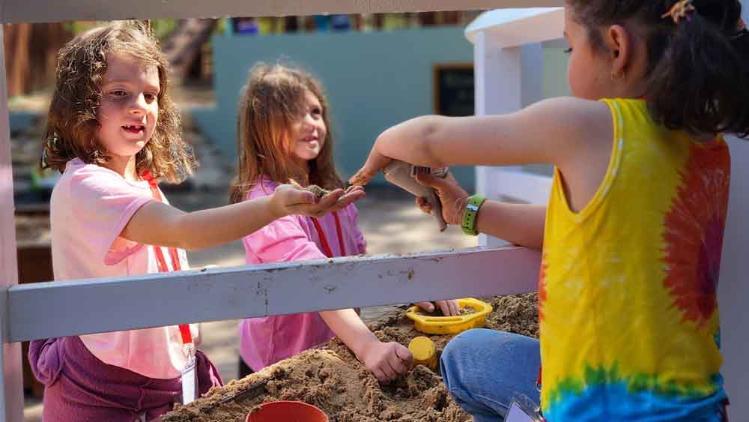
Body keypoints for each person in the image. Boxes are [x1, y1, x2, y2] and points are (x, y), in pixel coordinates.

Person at [351, 0, 749, 419]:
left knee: (461, 358)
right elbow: (576, 228)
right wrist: (465, 209)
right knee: (468, 354)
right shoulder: (707, 146)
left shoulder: (585, 126)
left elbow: (429, 137)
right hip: (700, 407)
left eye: (569, 48)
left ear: (617, 48)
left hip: (603, 411)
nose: (570, 61)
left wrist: (381, 146)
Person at [30, 22, 362, 421]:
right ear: (80, 103)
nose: (140, 105)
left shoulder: (137, 181)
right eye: (119, 93)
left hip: (160, 385)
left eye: (150, 95)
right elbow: (184, 231)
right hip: (104, 391)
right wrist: (274, 207)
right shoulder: (88, 185)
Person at [232, 63, 459, 383]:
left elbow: (357, 263)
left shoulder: (335, 194)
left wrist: (409, 287)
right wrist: (367, 347)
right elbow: (311, 273)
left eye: (315, 112)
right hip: (278, 363)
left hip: (335, 349)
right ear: (261, 127)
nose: (311, 123)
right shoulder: (263, 204)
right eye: (294, 114)